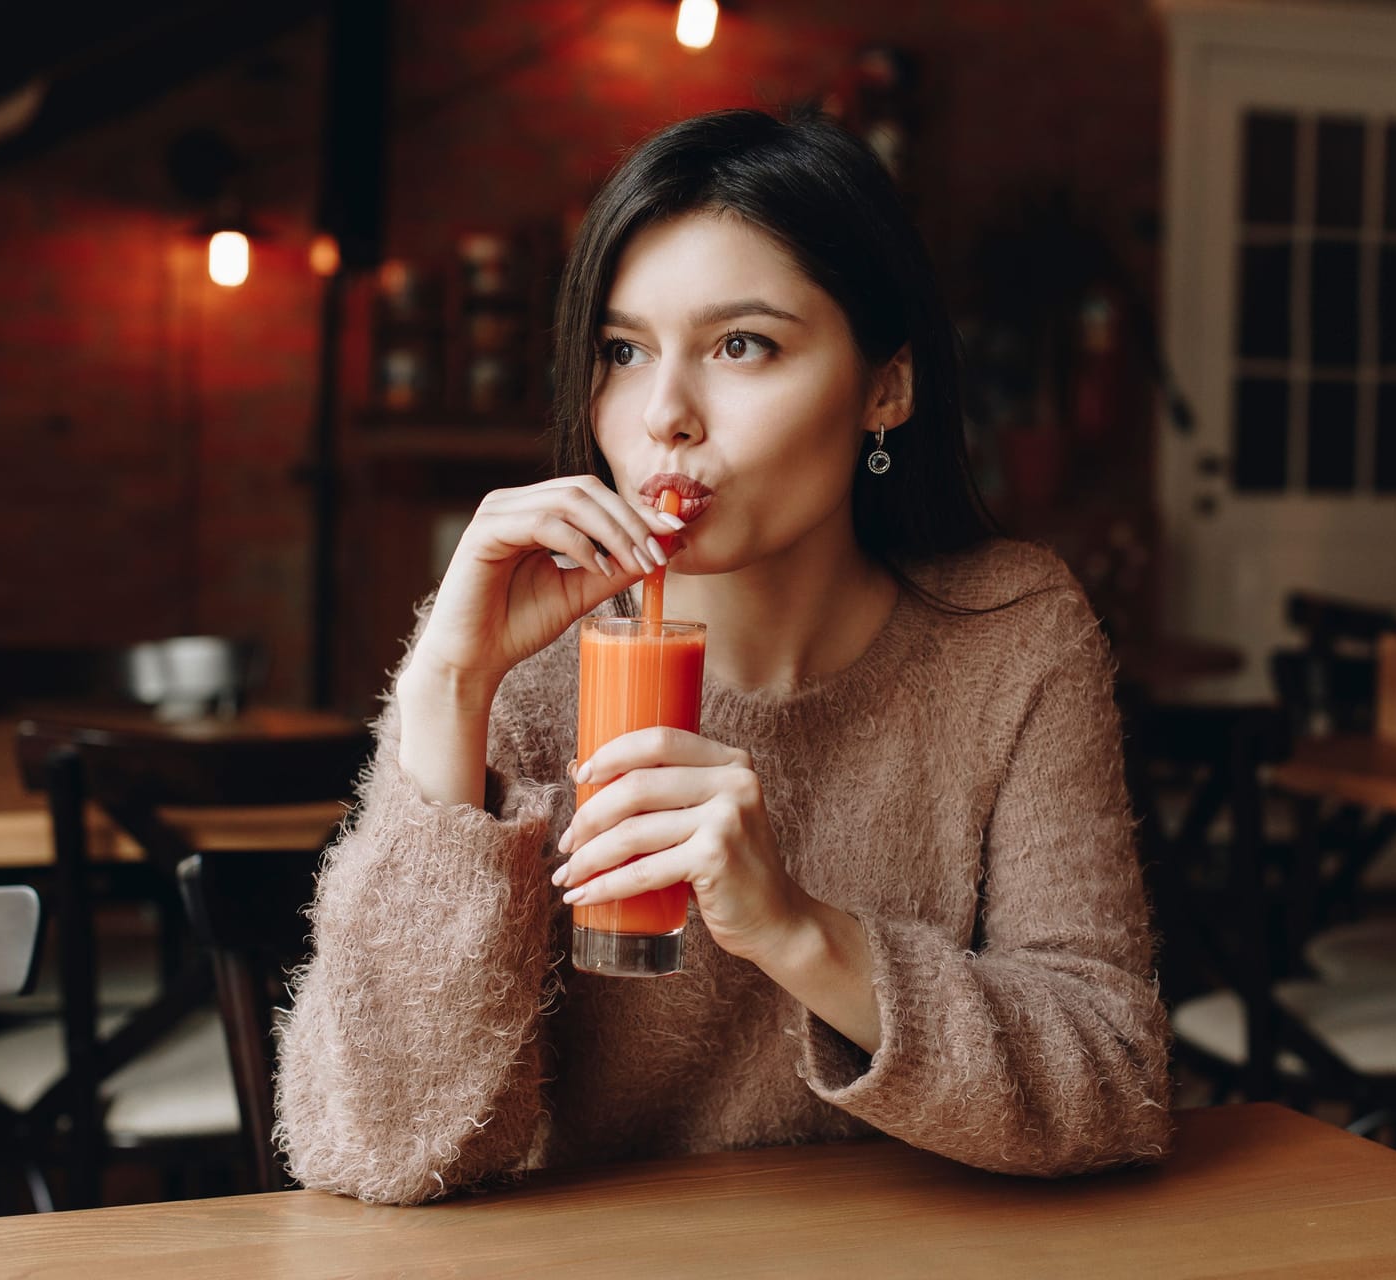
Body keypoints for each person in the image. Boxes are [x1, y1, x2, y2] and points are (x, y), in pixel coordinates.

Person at [275, 107, 1171, 1205]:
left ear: (886, 385)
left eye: (742, 344)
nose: (665, 415)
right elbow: (379, 1147)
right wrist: (447, 694)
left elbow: (1114, 1082)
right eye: (622, 351)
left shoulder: (1011, 634)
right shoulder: (530, 663)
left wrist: (800, 931)